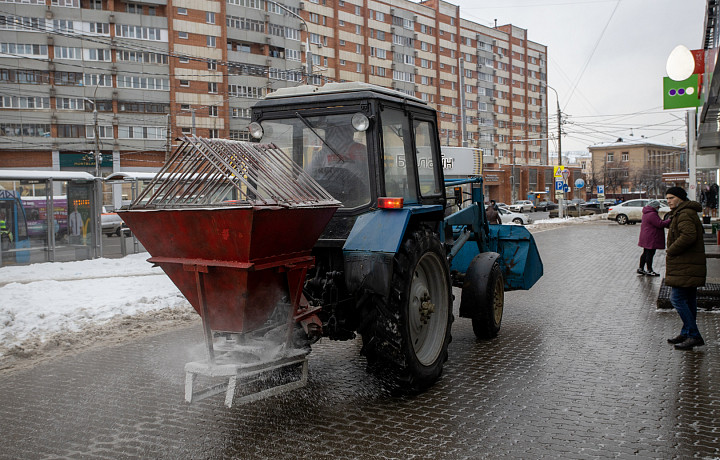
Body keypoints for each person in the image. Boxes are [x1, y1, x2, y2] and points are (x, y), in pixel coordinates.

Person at [664, 186, 706, 350]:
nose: (669, 201)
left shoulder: (685, 213)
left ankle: (694, 335)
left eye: (672, 198)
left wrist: (671, 250)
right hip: (688, 264)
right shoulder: (684, 212)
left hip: (685, 264)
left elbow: (688, 236)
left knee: (677, 299)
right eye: (667, 198)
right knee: (688, 300)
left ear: (680, 198)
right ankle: (687, 331)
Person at [637, 200, 670, 276]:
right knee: (650, 254)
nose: (658, 208)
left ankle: (641, 268)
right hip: (651, 236)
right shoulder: (652, 214)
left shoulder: (646, 213)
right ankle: (649, 270)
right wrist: (669, 220)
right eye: (658, 207)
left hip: (646, 236)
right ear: (655, 207)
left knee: (645, 253)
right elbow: (660, 224)